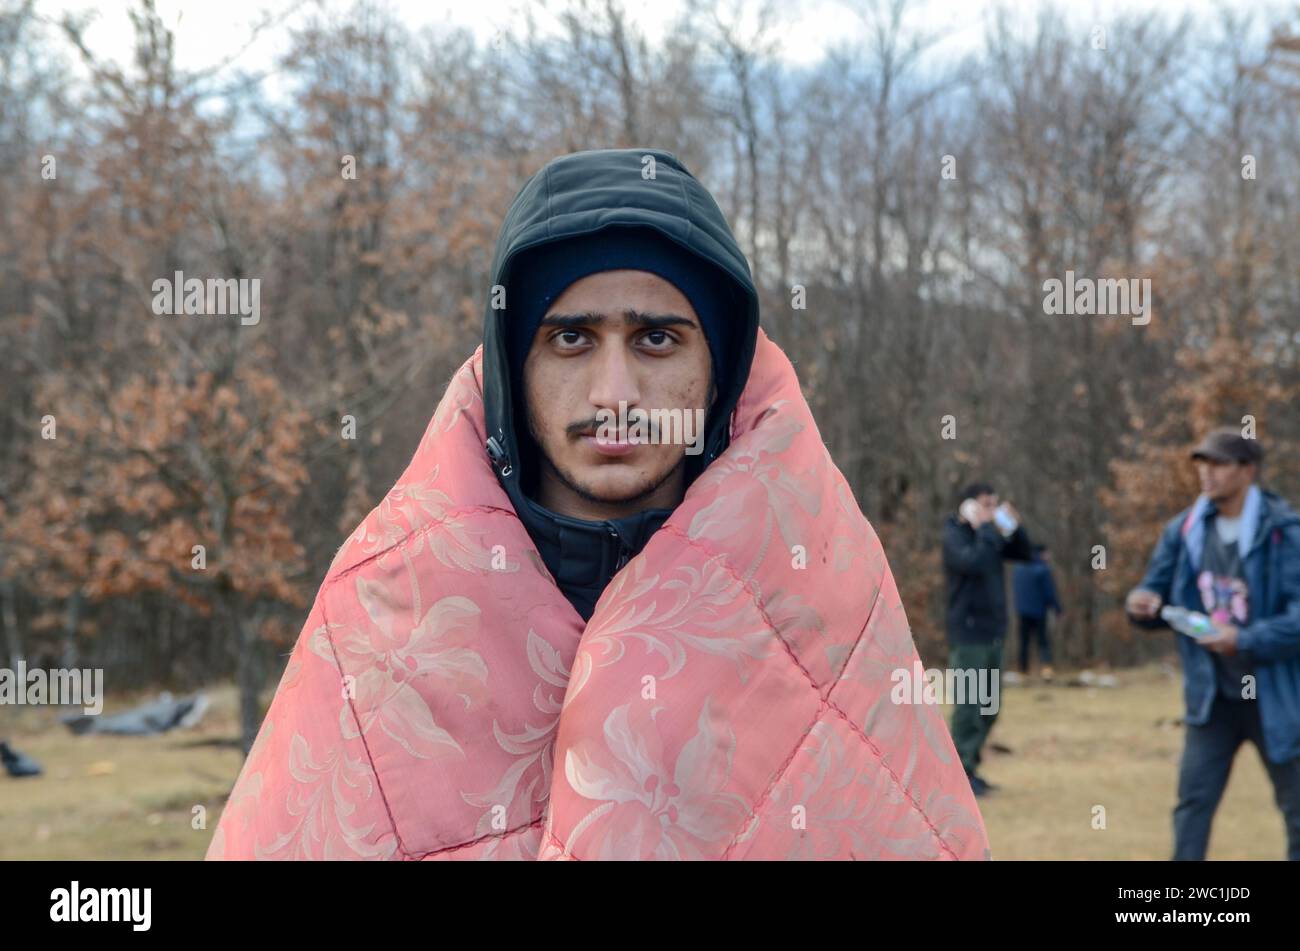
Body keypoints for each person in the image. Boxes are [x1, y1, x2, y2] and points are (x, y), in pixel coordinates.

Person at [207, 148, 989, 861]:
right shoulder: (384, 603)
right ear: (514, 368)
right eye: (571, 340)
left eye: (657, 340)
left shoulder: (818, 584)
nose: (614, 394)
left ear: (720, 373)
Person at [1125, 427, 1300, 860]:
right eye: (1202, 463)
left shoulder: (1284, 532)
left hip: (1275, 697)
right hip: (1212, 698)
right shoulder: (1183, 530)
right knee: (1193, 805)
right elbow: (1155, 591)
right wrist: (1140, 604)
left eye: (1219, 463)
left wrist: (1244, 639)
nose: (1206, 473)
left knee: (1296, 809)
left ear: (1248, 471)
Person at [943, 482, 1034, 796]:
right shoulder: (955, 534)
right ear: (968, 507)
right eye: (986, 504)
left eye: (995, 504)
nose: (991, 510)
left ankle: (969, 766)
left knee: (989, 706)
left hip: (993, 633)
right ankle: (957, 776)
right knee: (968, 706)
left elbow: (1025, 553)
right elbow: (973, 563)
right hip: (968, 634)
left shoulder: (990, 536)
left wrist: (1014, 527)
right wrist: (984, 529)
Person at [1012, 544, 1063, 678]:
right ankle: (1046, 669)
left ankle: (1023, 670)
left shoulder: (1018, 568)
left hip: (1022, 611)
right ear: (1042, 554)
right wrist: (1057, 609)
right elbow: (1049, 593)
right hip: (1039, 611)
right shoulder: (1043, 570)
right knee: (1043, 641)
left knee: (1024, 642)